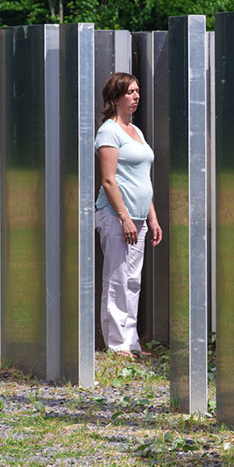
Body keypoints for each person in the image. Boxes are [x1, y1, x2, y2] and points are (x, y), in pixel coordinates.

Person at [95, 73, 163, 359]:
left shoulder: (136, 131)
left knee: (133, 280)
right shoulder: (109, 132)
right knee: (116, 278)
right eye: (130, 92)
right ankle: (116, 343)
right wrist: (123, 217)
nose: (136, 97)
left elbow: (141, 178)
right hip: (115, 215)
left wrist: (152, 218)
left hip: (138, 217)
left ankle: (131, 341)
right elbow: (109, 180)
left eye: (137, 91)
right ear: (116, 97)